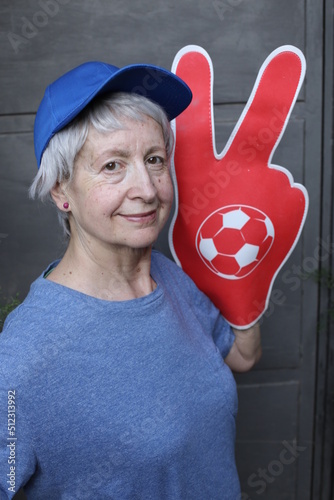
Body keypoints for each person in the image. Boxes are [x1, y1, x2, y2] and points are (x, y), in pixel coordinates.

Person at [0, 59, 261, 499]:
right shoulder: (22, 358)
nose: (147, 187)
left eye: (154, 159)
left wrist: (253, 274)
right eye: (112, 165)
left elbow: (240, 356)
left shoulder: (168, 278)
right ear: (61, 190)